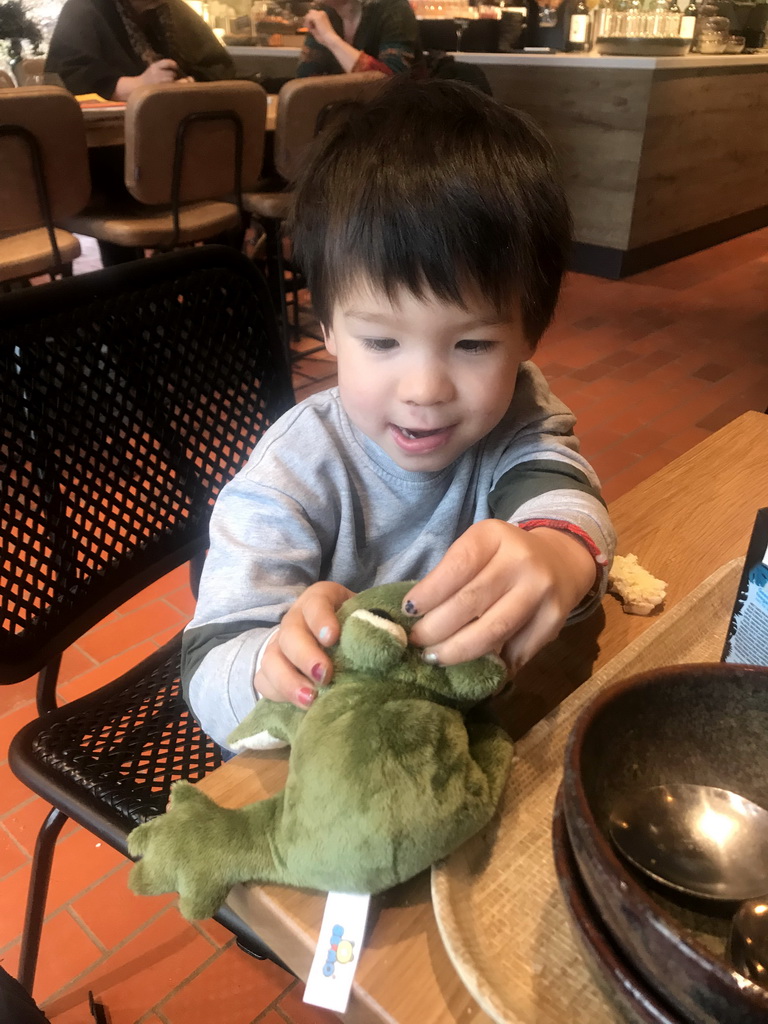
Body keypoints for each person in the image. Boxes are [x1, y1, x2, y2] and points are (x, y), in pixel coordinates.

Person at [181, 78, 616, 751]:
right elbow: (208, 669)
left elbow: (557, 480)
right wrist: (268, 666)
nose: (424, 388)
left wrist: (560, 555)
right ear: (325, 325)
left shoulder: (517, 411)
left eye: (472, 344)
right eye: (382, 341)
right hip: (328, 759)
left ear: (529, 336)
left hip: (464, 735)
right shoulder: (295, 470)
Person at [45, 0, 236, 101]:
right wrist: (140, 85)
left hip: (183, 130)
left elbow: (220, 67)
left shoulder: (177, 10)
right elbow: (65, 80)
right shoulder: (83, 8)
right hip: (111, 150)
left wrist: (190, 84)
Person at [296, 0, 423, 77]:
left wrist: (331, 40)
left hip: (401, 116)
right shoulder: (323, 13)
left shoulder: (394, 8)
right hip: (344, 115)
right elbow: (305, 78)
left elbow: (390, 85)